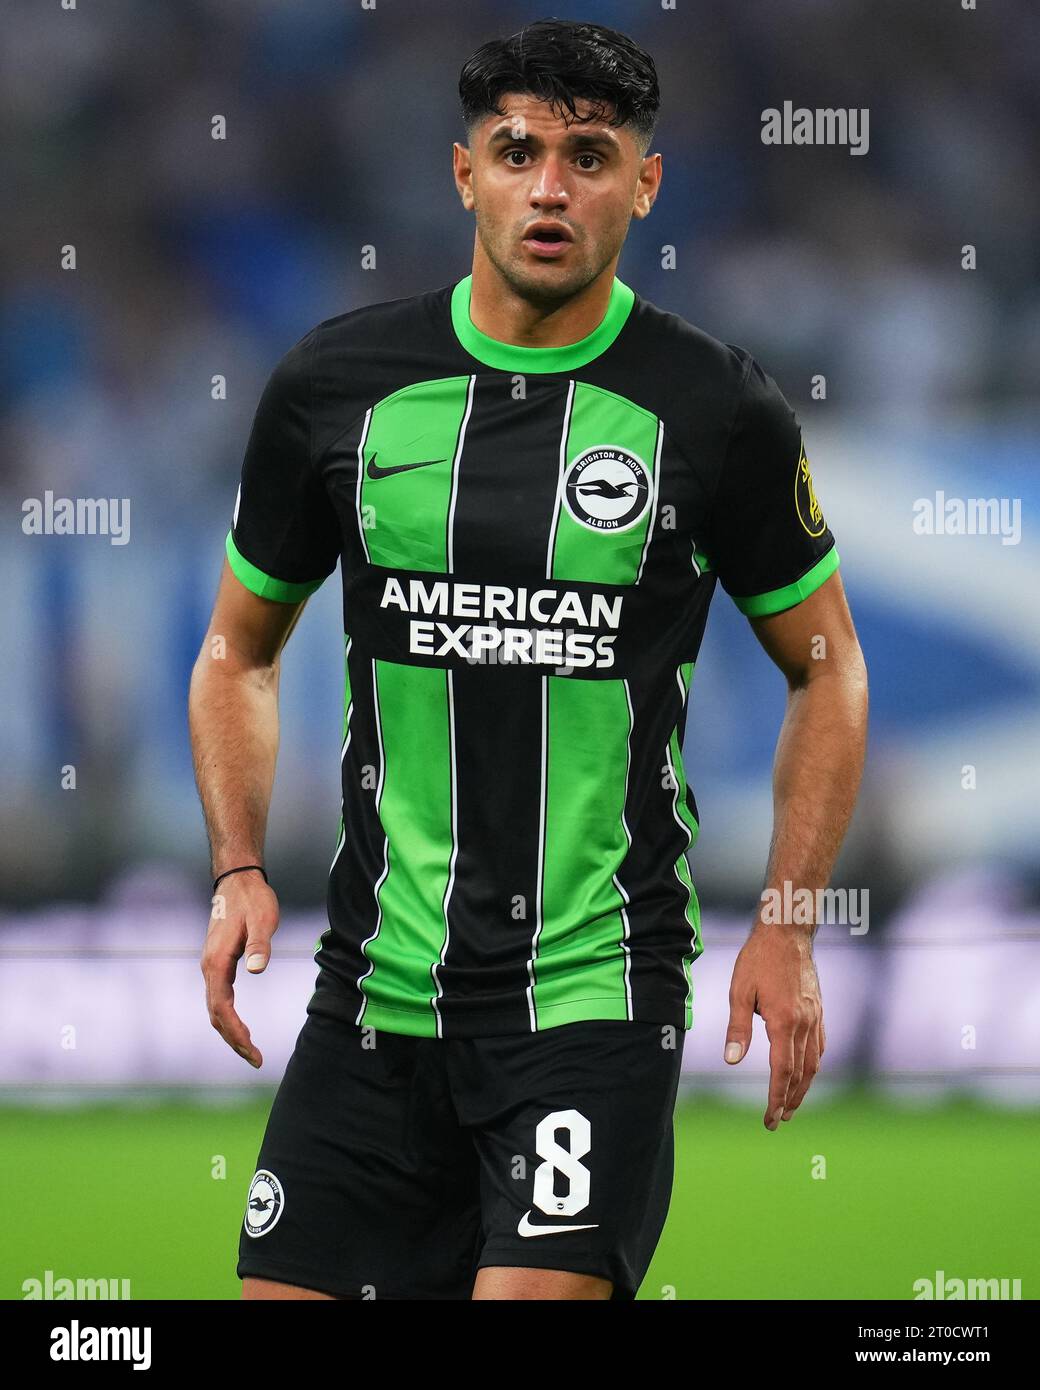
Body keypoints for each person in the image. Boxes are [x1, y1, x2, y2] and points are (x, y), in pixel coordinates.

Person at [188, 17, 868, 1302]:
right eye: (516, 152)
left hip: (591, 997)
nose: (549, 188)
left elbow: (825, 667)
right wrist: (233, 864)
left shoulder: (713, 411)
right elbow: (237, 650)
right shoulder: (338, 388)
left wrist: (788, 922)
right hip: (374, 990)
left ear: (643, 186)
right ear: (463, 173)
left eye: (589, 156)